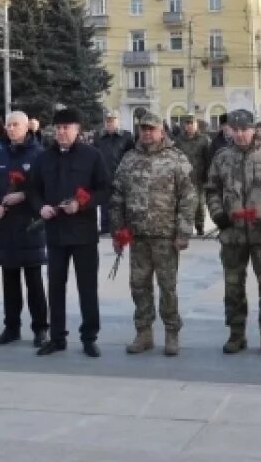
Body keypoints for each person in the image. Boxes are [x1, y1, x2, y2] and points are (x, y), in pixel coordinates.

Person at [205, 109, 261, 356]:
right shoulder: (222, 158)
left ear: (254, 129)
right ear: (229, 131)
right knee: (233, 285)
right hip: (232, 233)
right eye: (235, 130)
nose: (241, 135)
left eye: (245, 130)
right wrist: (217, 214)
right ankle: (236, 333)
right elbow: (211, 189)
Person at [27, 107, 110, 358]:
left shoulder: (92, 156)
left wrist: (82, 203)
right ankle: (57, 337)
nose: (62, 132)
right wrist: (40, 207)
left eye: (67, 127)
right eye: (58, 128)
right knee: (55, 286)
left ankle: (89, 337)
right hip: (55, 233)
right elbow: (32, 190)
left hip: (83, 232)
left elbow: (105, 190)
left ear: (77, 130)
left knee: (87, 287)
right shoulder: (44, 158)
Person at [110, 112, 196, 356]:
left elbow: (188, 197)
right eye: (143, 129)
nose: (147, 133)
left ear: (162, 131)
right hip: (137, 237)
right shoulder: (129, 159)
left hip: (165, 236)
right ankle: (144, 332)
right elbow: (117, 197)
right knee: (138, 285)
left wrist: (184, 231)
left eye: (151, 129)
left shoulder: (176, 159)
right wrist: (117, 232)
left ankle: (171, 332)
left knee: (167, 286)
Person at [0, 111, 49, 347]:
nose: (11, 129)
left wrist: (24, 195)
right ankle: (11, 327)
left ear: (26, 127)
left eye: (15, 125)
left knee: (34, 283)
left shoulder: (39, 155)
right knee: (10, 283)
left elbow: (46, 187)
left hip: (31, 228)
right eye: (8, 125)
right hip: (6, 229)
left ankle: (41, 329)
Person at [93, 110, 135, 235]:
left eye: (112, 121)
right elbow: (95, 155)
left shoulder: (126, 136)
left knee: (122, 204)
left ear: (118, 121)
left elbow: (131, 155)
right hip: (104, 176)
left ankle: (123, 229)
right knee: (104, 204)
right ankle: (105, 228)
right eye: (108, 121)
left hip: (121, 176)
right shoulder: (98, 137)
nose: (110, 124)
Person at [173, 114, 210, 236]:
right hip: (183, 179)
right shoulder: (178, 141)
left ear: (196, 124)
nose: (189, 126)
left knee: (199, 205)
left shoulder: (204, 140)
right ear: (184, 125)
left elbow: (208, 159)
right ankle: (184, 228)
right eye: (187, 123)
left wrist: (208, 176)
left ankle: (200, 228)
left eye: (192, 123)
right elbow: (175, 158)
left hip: (199, 178)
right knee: (183, 204)